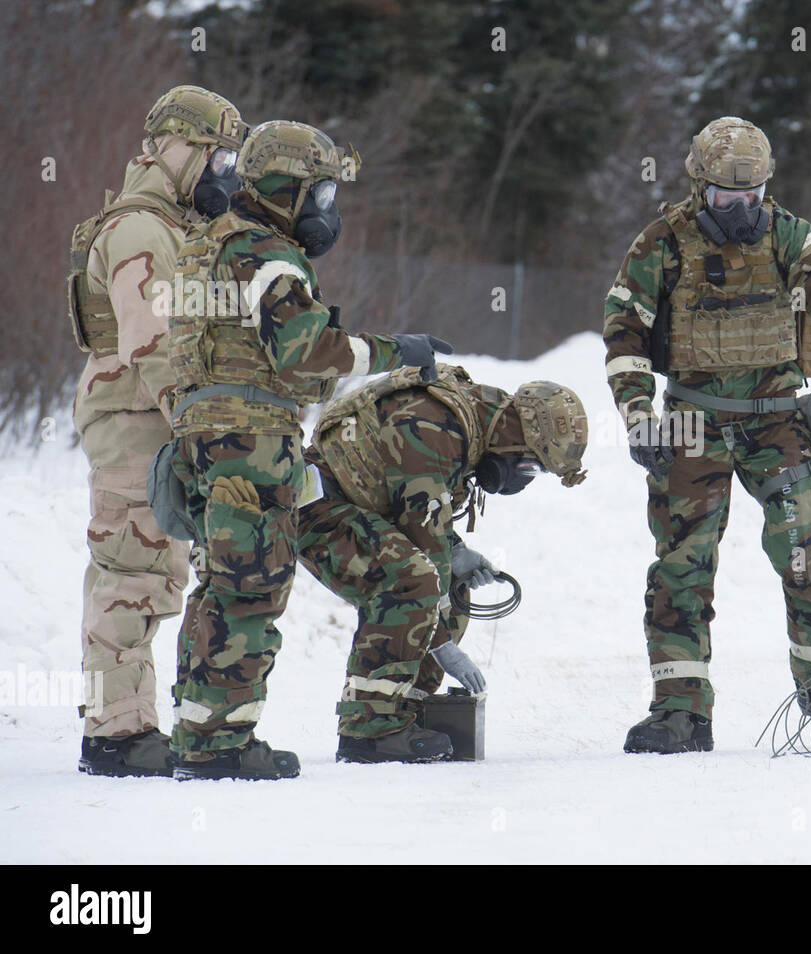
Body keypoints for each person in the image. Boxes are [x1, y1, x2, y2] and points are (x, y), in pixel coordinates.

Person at [602, 116, 811, 754]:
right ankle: (679, 711)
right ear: (699, 187)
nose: (741, 210)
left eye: (753, 197)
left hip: (775, 419)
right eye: (727, 198)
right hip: (690, 417)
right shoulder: (663, 243)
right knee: (683, 566)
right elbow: (624, 331)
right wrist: (637, 416)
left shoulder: (787, 235)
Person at [166, 119, 451, 780]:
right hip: (252, 439)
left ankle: (199, 729)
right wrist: (393, 352)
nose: (327, 211)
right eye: (318, 195)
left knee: (219, 582)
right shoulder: (266, 252)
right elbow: (306, 355)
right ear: (284, 188)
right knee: (253, 584)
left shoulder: (205, 243)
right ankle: (222, 746)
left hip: (203, 434)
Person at [70, 85, 247, 777]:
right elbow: (153, 346)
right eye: (219, 156)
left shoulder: (172, 227)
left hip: (149, 425)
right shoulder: (143, 230)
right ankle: (116, 735)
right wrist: (204, 430)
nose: (227, 173)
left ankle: (115, 716)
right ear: (181, 149)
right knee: (131, 574)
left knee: (143, 570)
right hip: (135, 424)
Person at [296, 364, 588, 763]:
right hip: (316, 507)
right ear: (518, 434)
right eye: (530, 465)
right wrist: (444, 646)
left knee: (450, 581)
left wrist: (457, 551)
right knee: (409, 579)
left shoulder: (474, 425)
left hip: (360, 504)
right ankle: (369, 728)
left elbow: (424, 520)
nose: (523, 478)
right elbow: (421, 540)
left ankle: (407, 707)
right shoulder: (434, 427)